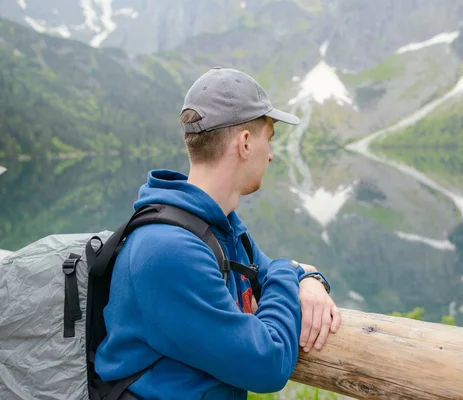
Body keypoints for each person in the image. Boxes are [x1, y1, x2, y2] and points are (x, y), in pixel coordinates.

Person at [94, 66, 342, 399]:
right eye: (268, 139)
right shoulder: (167, 249)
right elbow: (268, 365)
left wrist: (311, 281)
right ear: (244, 143)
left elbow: (272, 278)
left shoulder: (221, 226)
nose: (270, 156)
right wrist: (293, 270)